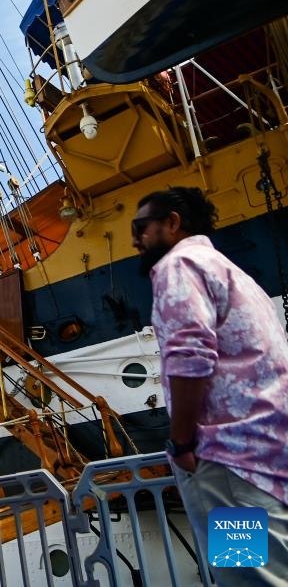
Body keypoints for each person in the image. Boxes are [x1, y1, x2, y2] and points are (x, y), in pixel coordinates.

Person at [133, 186, 288, 585]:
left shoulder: (178, 265)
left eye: (141, 227)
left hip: (226, 462)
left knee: (248, 577)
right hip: (268, 454)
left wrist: (182, 441)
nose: (135, 239)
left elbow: (189, 356)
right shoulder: (232, 272)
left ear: (172, 223)